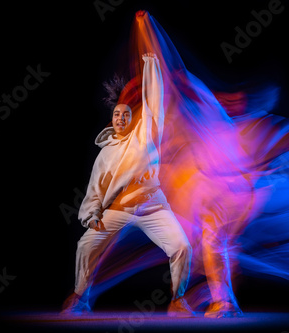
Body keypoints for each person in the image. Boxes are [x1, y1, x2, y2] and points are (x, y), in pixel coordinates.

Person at [61, 52, 194, 317]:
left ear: (131, 118)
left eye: (125, 114)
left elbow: (153, 103)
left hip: (153, 207)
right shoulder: (105, 154)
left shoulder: (144, 134)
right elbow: (95, 190)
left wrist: (150, 67)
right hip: (119, 210)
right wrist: (92, 215)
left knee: (182, 246)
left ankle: (177, 300)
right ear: (111, 120)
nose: (121, 118)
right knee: (85, 245)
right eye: (116, 115)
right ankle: (79, 297)